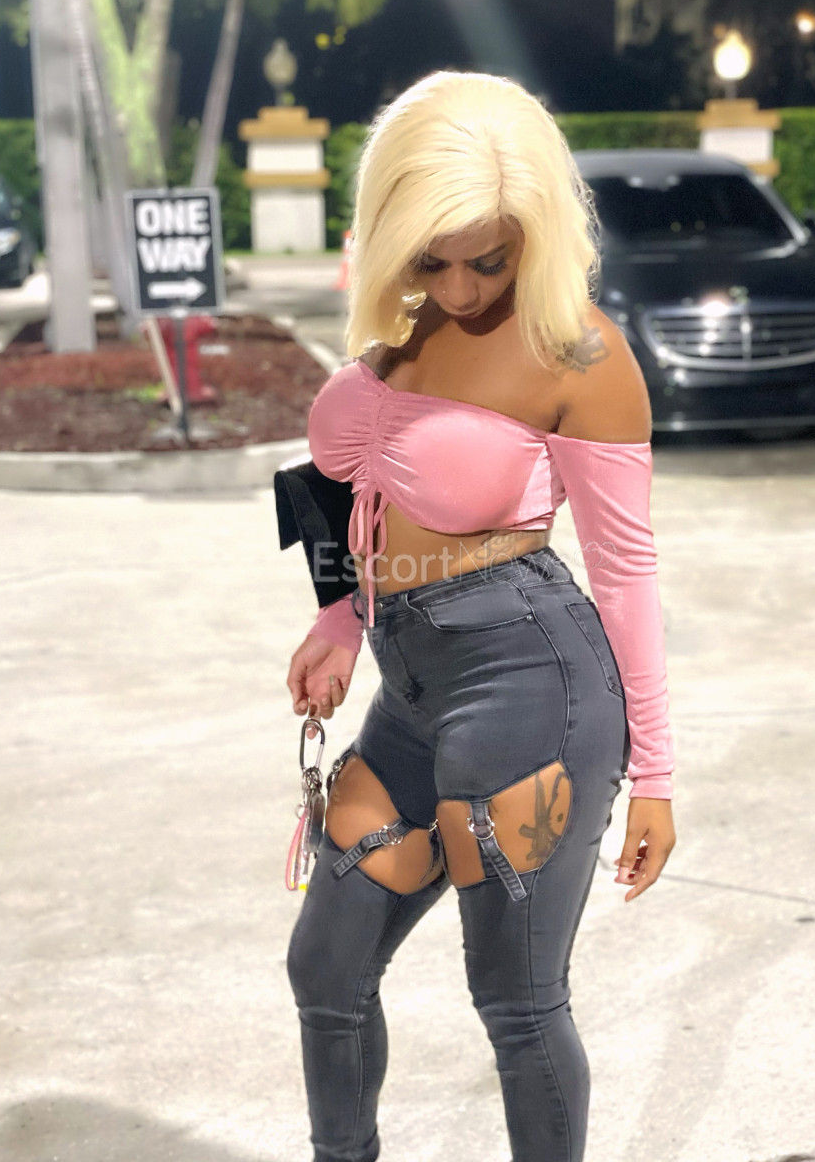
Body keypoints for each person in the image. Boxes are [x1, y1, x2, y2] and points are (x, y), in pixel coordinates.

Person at [284, 70, 676, 1162]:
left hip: (530, 686)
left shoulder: (579, 352)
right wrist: (341, 622)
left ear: (533, 233)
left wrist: (656, 771)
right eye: (430, 257)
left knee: (516, 1000)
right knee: (325, 969)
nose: (457, 285)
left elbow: (627, 569)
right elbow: (343, 494)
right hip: (409, 695)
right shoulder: (397, 331)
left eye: (487, 259)